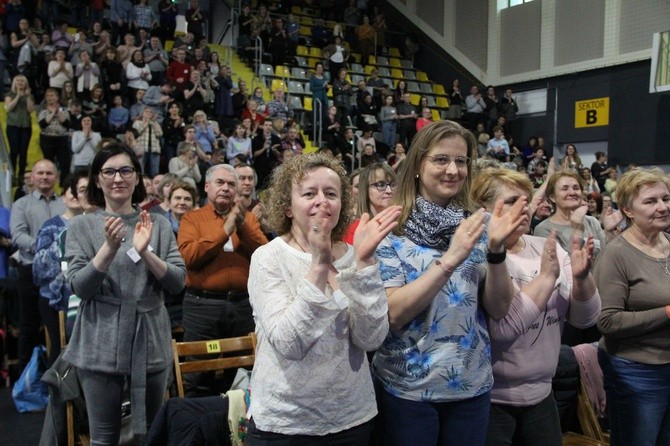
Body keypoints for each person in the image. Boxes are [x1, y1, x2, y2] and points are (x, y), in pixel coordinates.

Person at [371, 120, 528, 446]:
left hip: (470, 387)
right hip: (409, 391)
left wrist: (497, 251)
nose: (453, 170)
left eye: (461, 161)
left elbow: (499, 308)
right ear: (417, 165)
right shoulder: (390, 227)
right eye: (441, 159)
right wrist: (448, 261)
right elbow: (392, 314)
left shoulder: (481, 224)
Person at [247, 152, 401, 444]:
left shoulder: (355, 255)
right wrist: (319, 265)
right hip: (285, 423)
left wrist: (365, 263)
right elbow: (289, 343)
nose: (322, 201)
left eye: (331, 193)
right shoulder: (268, 257)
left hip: (351, 418)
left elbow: (371, 339)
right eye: (309, 193)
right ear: (288, 206)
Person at [63, 143, 185, 444]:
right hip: (99, 339)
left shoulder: (157, 223)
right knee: (104, 438)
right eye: (109, 171)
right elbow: (81, 287)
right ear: (97, 179)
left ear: (137, 177)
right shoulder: (81, 226)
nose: (118, 178)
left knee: (152, 435)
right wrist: (109, 247)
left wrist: (146, 253)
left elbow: (178, 282)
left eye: (126, 170)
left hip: (150, 337)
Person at [470, 168, 600, 446]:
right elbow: (503, 331)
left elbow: (586, 319)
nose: (525, 208)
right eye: (512, 201)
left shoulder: (546, 247)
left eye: (526, 201)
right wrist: (547, 277)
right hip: (492, 400)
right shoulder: (476, 256)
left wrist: (582, 278)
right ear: (484, 209)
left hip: (542, 395)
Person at [594, 167, 670, 446]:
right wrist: (667, 313)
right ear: (628, 210)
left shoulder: (668, 243)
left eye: (666, 198)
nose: (662, 207)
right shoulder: (616, 255)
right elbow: (607, 322)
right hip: (635, 371)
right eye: (651, 201)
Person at [177, 164, 268, 396]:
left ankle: (237, 427)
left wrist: (241, 226)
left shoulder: (248, 220)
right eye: (220, 183)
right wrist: (225, 230)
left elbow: (265, 254)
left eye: (231, 184)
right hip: (202, 307)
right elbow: (190, 256)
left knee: (243, 374)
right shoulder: (192, 219)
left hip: (242, 306)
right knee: (199, 375)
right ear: (207, 187)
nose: (226, 188)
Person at [10, 159, 65, 369]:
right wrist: (46, 248)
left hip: (61, 275)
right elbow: (18, 235)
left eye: (49, 173)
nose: (44, 177)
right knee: (29, 327)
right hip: (30, 271)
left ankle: (58, 378)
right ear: (32, 177)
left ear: (57, 177)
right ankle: (27, 383)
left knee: (59, 330)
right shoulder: (21, 204)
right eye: (40, 173)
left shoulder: (65, 204)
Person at [32, 171, 91, 364]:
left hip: (88, 296)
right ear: (64, 196)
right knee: (60, 351)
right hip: (56, 298)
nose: (76, 195)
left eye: (82, 190)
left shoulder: (94, 223)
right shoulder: (51, 226)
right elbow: (39, 270)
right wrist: (62, 246)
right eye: (71, 190)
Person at [343, 161, 396, 244]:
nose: (389, 191)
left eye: (393, 184)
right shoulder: (356, 230)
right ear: (365, 190)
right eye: (381, 185)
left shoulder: (405, 224)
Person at [5, 74, 34, 184]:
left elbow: (30, 110)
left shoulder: (29, 95)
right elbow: (8, 108)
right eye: (18, 81)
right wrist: (18, 95)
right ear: (14, 83)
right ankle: (12, 176)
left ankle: (22, 176)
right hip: (12, 126)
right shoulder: (9, 94)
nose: (20, 83)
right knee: (14, 151)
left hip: (26, 127)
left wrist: (27, 96)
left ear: (25, 83)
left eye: (22, 81)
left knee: (23, 152)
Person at [38, 88, 71, 184]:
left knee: (65, 163)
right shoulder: (43, 109)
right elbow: (43, 124)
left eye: (52, 96)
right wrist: (52, 113)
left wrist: (59, 114)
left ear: (57, 97)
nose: (49, 98)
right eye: (48, 96)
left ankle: (64, 184)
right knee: (49, 163)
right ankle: (48, 182)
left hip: (61, 139)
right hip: (47, 139)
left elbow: (67, 124)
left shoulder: (64, 109)